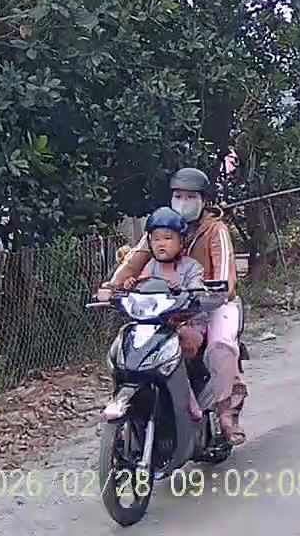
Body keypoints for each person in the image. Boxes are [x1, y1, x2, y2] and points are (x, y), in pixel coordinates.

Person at [98, 167, 247, 445]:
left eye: (190, 197)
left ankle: (226, 413)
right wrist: (111, 286)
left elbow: (226, 279)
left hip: (213, 304)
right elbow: (133, 260)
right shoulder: (162, 227)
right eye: (178, 196)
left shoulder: (215, 230)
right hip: (169, 307)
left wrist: (213, 291)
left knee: (220, 346)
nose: (183, 201)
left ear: (204, 200)